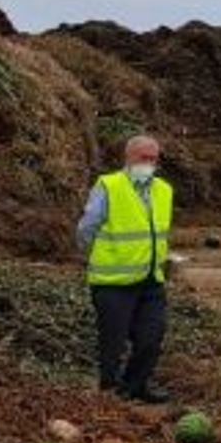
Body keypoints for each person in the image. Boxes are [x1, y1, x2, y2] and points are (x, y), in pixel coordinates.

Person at [76, 134, 173, 404]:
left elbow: (157, 233)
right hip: (112, 281)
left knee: (151, 339)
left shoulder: (163, 189)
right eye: (144, 158)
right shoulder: (109, 186)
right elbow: (87, 228)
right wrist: (94, 256)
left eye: (154, 159)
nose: (149, 163)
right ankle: (109, 391)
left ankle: (135, 386)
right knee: (113, 343)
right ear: (128, 158)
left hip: (150, 279)